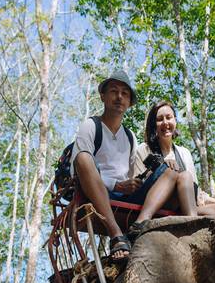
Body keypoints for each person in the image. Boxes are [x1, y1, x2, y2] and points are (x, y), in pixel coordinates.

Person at [70, 71, 198, 260]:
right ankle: (116, 234)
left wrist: (135, 183)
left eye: (125, 93)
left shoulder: (129, 137)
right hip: (96, 191)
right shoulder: (91, 126)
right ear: (103, 96)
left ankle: (139, 225)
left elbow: (131, 175)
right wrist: (115, 184)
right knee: (82, 157)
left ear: (130, 102)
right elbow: (78, 169)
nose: (119, 97)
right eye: (114, 91)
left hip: (126, 196)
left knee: (172, 172)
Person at [131, 100, 215, 225]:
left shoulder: (184, 153)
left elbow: (196, 193)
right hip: (154, 201)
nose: (165, 123)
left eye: (169, 117)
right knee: (182, 175)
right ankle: (191, 223)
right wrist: (163, 169)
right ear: (154, 125)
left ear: (175, 121)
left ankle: (191, 218)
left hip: (182, 205)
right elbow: (137, 184)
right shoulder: (144, 149)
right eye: (159, 119)